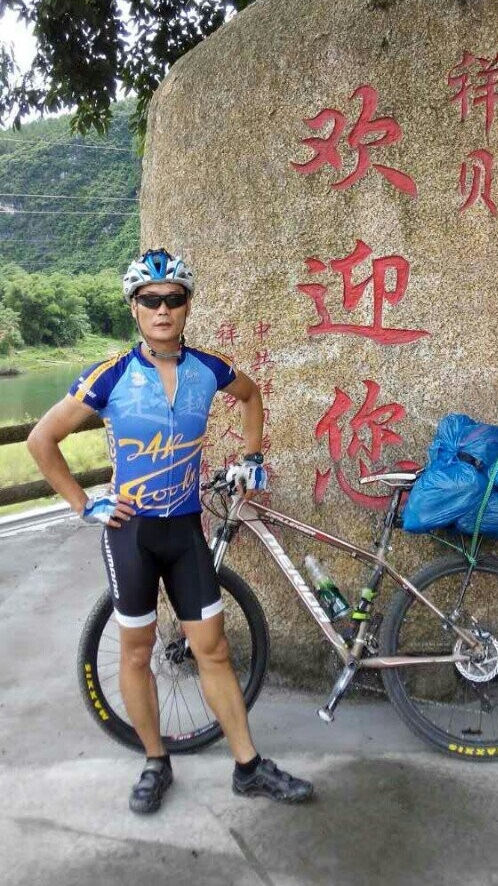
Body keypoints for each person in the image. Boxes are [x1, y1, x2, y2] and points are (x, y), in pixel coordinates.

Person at [27, 248, 313, 813]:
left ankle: (248, 767)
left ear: (187, 306)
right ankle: (155, 762)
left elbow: (251, 395)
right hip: (130, 534)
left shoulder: (209, 369)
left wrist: (252, 456)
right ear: (134, 309)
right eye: (150, 300)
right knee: (137, 653)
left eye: (173, 299)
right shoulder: (109, 375)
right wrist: (84, 504)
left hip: (185, 531)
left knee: (213, 649)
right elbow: (42, 440)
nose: (163, 309)